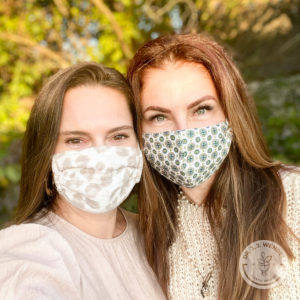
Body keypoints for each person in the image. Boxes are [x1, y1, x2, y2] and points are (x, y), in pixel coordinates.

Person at [127, 34, 299, 299]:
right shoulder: (144, 236)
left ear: (230, 113)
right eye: (159, 116)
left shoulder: (293, 196)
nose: (182, 132)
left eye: (201, 109)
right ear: (139, 129)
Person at [0, 62, 165, 300]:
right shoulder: (30, 249)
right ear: (46, 154)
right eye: (76, 140)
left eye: (118, 136)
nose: (100, 157)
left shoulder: (155, 235)